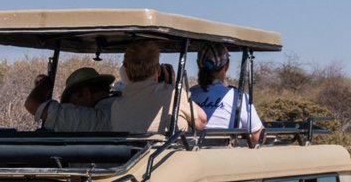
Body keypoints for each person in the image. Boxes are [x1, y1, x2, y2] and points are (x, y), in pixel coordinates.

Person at [24, 43, 206, 133]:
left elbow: (33, 104)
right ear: (157, 70)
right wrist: (172, 89)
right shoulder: (171, 96)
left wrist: (46, 82)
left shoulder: (113, 110)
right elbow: (201, 121)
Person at [189, 42, 264, 145]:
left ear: (198, 64)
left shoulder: (188, 94)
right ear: (227, 65)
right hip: (227, 156)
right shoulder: (238, 96)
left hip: (193, 153)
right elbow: (259, 135)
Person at [24, 67, 115, 130]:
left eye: (74, 102)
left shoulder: (92, 119)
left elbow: (31, 104)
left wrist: (45, 82)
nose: (74, 107)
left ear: (86, 94)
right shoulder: (118, 107)